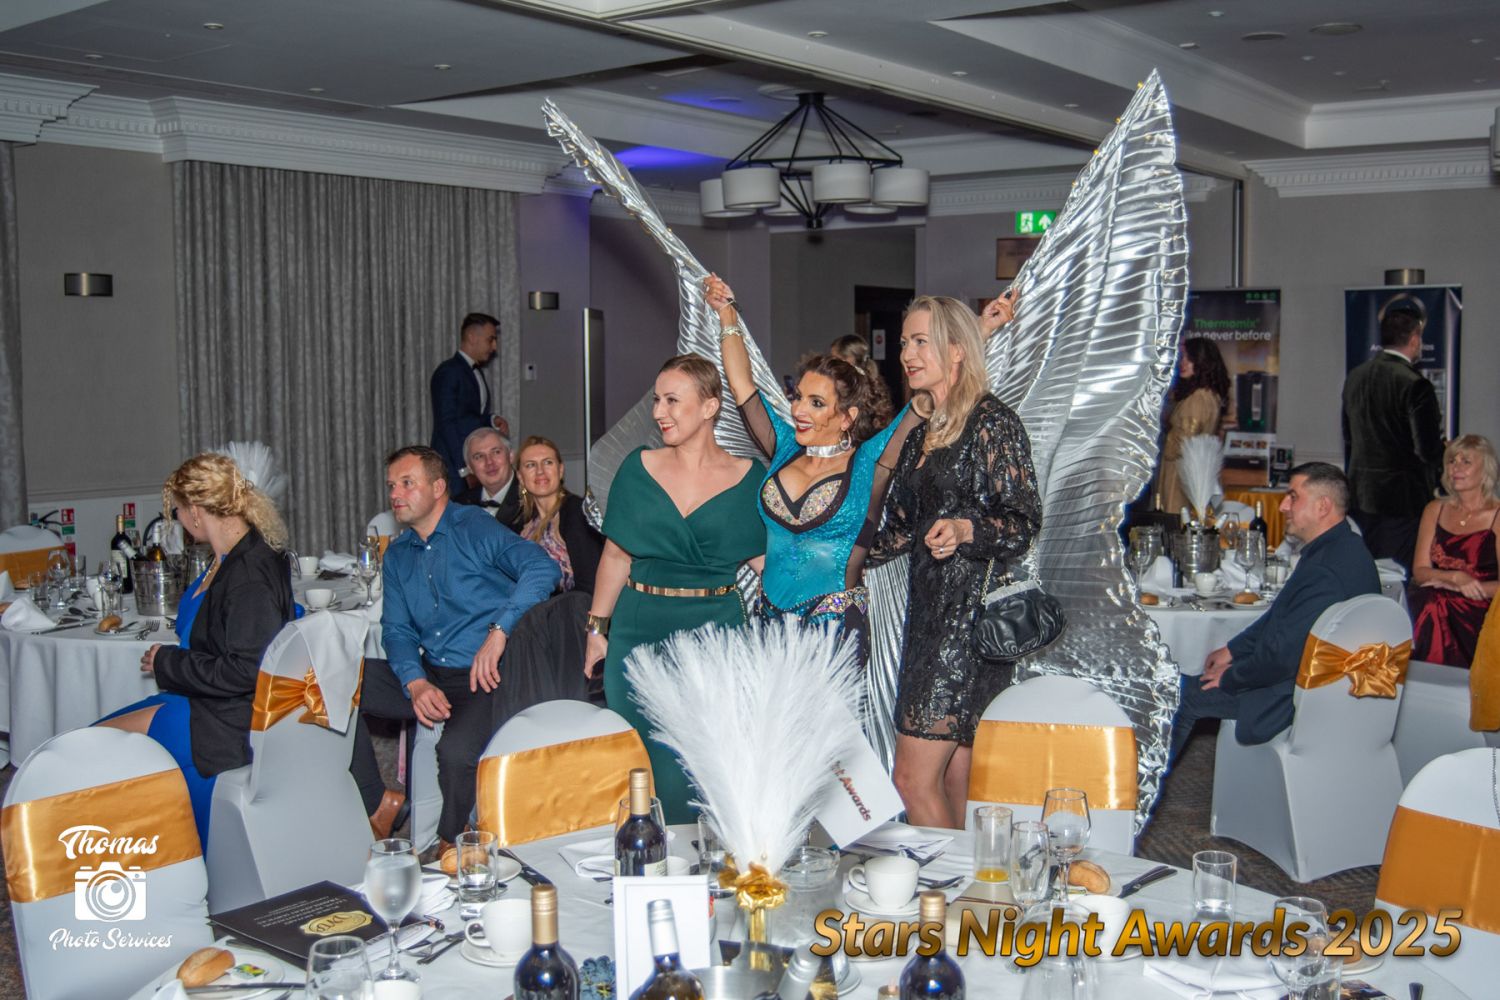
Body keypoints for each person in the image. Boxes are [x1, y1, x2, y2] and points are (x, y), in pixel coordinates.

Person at [871, 295, 1041, 829]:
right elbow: (901, 530)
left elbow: (1023, 522)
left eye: (921, 342)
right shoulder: (923, 432)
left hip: (968, 627)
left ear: (957, 350)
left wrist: (967, 529)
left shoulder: (993, 423)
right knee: (953, 785)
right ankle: (973, 880)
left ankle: (944, 880)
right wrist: (828, 554)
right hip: (928, 620)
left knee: (911, 780)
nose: (907, 354)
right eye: (905, 343)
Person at [583, 355, 765, 824]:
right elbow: (616, 557)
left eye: (671, 401)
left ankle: (699, 860)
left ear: (709, 407)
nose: (659, 412)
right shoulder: (637, 468)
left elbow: (768, 567)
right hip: (637, 634)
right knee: (640, 766)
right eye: (656, 400)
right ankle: (645, 856)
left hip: (714, 639)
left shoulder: (749, 479)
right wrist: (597, 630)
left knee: (698, 768)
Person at [351, 445, 558, 847]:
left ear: (438, 487)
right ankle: (380, 801)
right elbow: (397, 630)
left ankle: (451, 844)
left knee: (455, 754)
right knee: (336, 683)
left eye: (407, 483)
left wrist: (499, 630)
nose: (395, 494)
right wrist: (414, 682)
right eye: (392, 485)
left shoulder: (473, 527)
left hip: (484, 676)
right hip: (432, 673)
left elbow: (541, 567)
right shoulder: (398, 556)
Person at [705, 275, 917, 661]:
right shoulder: (784, 446)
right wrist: (726, 313)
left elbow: (924, 405)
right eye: (798, 396)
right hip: (768, 625)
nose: (799, 410)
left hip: (832, 629)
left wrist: (975, 338)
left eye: (816, 403)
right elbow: (741, 386)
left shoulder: (869, 462)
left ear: (847, 416)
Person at [98, 453, 295, 846]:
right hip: (205, 699)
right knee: (92, 740)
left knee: (96, 748)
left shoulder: (248, 574)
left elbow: (245, 671)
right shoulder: (228, 556)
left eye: (177, 512)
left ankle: (149, 853)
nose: (178, 520)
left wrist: (167, 662)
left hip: (226, 719)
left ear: (196, 512)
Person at [1170, 463, 1380, 761]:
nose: (1282, 506)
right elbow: (1280, 617)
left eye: (1293, 497)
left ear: (1323, 506)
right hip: (1319, 683)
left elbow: (1282, 656)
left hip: (1297, 696)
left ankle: (1144, 785)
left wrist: (1232, 677)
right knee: (1186, 683)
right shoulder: (1342, 548)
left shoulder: (1325, 568)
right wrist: (1234, 649)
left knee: (1178, 696)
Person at [1342, 303, 1445, 572]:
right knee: (1397, 577)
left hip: (1359, 496)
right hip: (1402, 501)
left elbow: (1348, 439)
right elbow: (1426, 450)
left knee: (1364, 572)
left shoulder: (1355, 377)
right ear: (1415, 338)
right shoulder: (1415, 384)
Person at [1409, 435, 1500, 667]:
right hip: (1435, 597)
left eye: (1466, 462)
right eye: (1452, 461)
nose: (1455, 468)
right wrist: (1455, 578)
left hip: (1481, 607)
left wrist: (1463, 588)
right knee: (1429, 601)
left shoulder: (1497, 516)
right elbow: (1420, 571)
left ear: (1485, 470)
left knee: (1436, 604)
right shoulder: (1434, 509)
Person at [514, 435, 604, 596]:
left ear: (560, 470)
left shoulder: (577, 512)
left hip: (573, 608)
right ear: (520, 477)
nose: (540, 471)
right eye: (530, 465)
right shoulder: (521, 524)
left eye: (548, 462)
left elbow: (590, 584)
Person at [431, 312, 511, 494]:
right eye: (490, 339)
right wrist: (464, 469)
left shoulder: (473, 371)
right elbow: (446, 424)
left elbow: (468, 415)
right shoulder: (448, 371)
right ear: (472, 337)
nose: (494, 347)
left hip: (472, 462)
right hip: (453, 465)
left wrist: (492, 419)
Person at [1157, 337, 1229, 515]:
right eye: (1182, 357)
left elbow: (1183, 441)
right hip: (1190, 472)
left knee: (1174, 519)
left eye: (1189, 358)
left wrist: (1161, 436)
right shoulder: (1209, 395)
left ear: (1202, 362)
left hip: (1179, 475)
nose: (1183, 363)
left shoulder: (1198, 398)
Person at [454, 426, 522, 527]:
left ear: (511, 456)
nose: (489, 462)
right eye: (479, 457)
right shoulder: (459, 506)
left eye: (496, 452)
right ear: (470, 468)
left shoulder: (531, 501)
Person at [829, 333, 896, 428]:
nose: (831, 366)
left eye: (835, 361)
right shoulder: (873, 382)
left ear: (847, 360)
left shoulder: (854, 386)